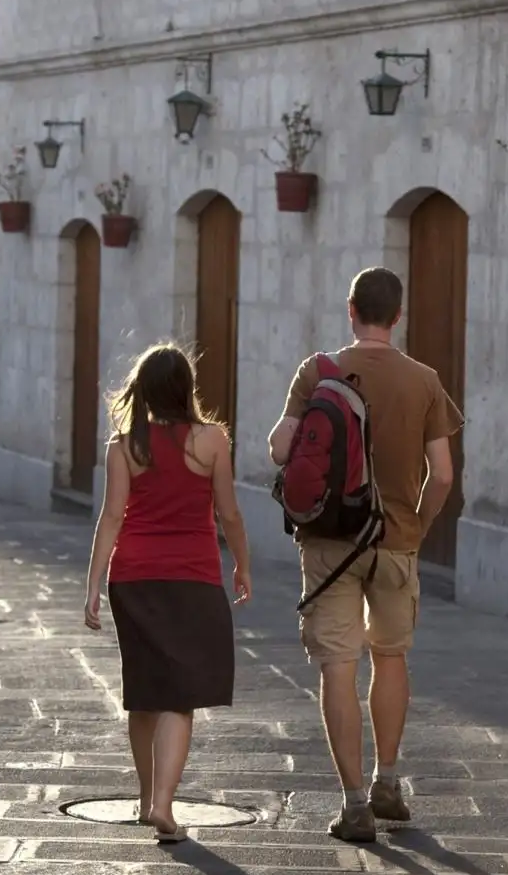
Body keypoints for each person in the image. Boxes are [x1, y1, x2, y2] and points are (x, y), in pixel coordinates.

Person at [268, 267, 462, 843]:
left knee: (338, 665)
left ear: (350, 309)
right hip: (396, 540)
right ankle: (387, 782)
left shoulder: (317, 371)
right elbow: (442, 474)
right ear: (397, 316)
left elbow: (279, 447)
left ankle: (354, 805)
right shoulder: (424, 381)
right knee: (391, 656)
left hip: (329, 540)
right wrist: (417, 525)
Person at [84, 343, 253, 844]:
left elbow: (111, 517)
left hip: (133, 579)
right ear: (186, 388)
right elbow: (229, 512)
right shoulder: (212, 441)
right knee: (180, 696)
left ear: (142, 390)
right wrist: (242, 564)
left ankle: (145, 800)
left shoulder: (124, 447)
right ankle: (163, 804)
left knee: (144, 693)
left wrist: (93, 585)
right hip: (193, 580)